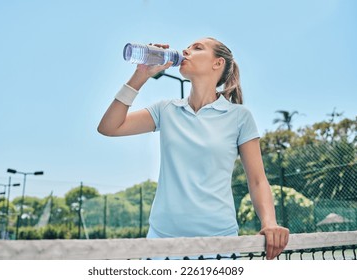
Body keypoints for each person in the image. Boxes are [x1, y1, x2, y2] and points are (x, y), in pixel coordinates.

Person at [97, 37, 289, 260]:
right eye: (187, 47)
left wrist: (270, 223)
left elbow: (257, 180)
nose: (186, 50)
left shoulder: (239, 117)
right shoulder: (165, 110)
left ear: (218, 63)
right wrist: (140, 76)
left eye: (197, 48)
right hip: (162, 243)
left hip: (219, 244)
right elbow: (109, 127)